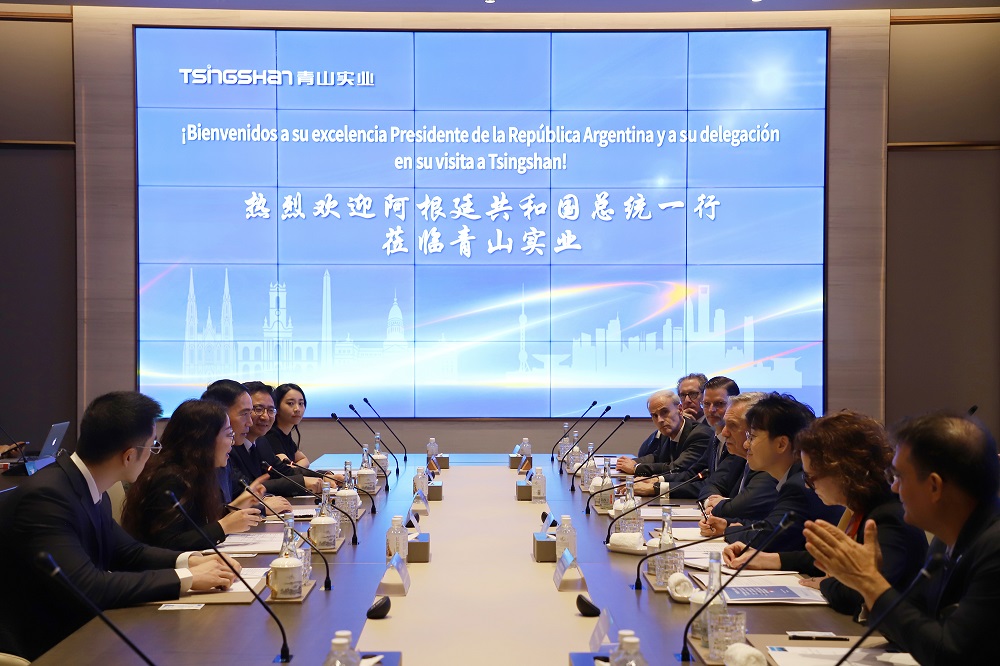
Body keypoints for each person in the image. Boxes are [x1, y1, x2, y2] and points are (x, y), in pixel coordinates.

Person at [0, 391, 238, 660]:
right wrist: (187, 578)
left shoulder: (86, 485)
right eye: (152, 446)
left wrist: (191, 560)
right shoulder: (46, 498)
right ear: (129, 456)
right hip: (45, 644)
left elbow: (128, 552)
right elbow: (88, 587)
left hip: (81, 628)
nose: (154, 454)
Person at [804, 413, 1000, 664]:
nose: (894, 487)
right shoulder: (945, 541)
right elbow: (914, 624)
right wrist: (870, 584)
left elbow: (950, 654)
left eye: (899, 477)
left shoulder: (994, 549)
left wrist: (870, 583)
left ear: (934, 486)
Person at [722, 411, 927, 616]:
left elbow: (860, 593)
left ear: (843, 471)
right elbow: (834, 559)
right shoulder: (861, 507)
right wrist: (766, 559)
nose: (808, 486)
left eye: (811, 478)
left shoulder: (886, 518)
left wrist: (826, 584)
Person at [701, 393, 841, 552]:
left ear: (781, 444)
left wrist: (728, 530)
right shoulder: (794, 476)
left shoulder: (800, 485)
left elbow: (768, 539)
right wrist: (728, 524)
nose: (746, 444)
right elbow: (770, 524)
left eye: (752, 437)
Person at [121, 399, 263, 550]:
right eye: (229, 434)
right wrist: (224, 526)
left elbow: (196, 524)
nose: (232, 442)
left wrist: (231, 510)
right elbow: (166, 543)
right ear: (205, 440)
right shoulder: (169, 477)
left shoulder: (198, 472)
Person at [201, 380, 298, 506]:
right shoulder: (200, 463)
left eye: (270, 410)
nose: (250, 422)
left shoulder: (258, 442)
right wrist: (263, 506)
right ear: (219, 413)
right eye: (245, 413)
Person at [698, 392, 778, 528]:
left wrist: (723, 505)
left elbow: (743, 507)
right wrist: (714, 504)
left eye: (732, 425)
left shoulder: (770, 465)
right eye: (725, 424)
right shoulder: (737, 457)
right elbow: (710, 485)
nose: (724, 433)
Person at [617, 390, 713, 497]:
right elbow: (656, 457)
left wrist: (636, 468)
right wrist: (631, 462)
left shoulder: (700, 434)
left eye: (664, 412)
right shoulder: (666, 432)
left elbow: (677, 468)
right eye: (654, 415)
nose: (660, 420)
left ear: (680, 409)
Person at [263, 382, 310, 467]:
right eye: (290, 403)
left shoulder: (286, 434)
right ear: (276, 407)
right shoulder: (271, 435)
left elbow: (304, 460)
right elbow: (286, 469)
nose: (297, 409)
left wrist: (295, 469)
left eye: (301, 403)